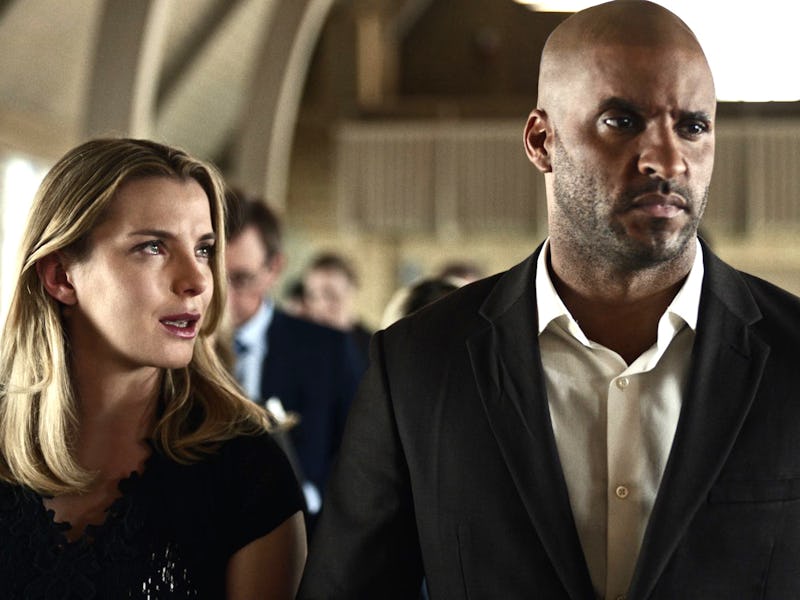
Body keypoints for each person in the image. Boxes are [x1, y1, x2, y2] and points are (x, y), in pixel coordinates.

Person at [299, 2, 800, 598]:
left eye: (693, 127)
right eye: (622, 121)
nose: (666, 160)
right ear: (541, 140)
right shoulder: (419, 364)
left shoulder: (792, 354)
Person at [0, 138, 306, 599]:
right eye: (152, 247)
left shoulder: (248, 472)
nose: (197, 280)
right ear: (61, 277)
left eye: (204, 249)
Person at [224, 194, 364, 528]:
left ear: (273, 268)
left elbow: (359, 456)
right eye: (213, 273)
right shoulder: (173, 350)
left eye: (240, 279)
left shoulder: (326, 349)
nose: (223, 295)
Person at [302, 251, 373, 362]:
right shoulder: (302, 345)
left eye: (330, 294)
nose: (321, 304)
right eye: (313, 295)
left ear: (350, 291)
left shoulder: (373, 348)